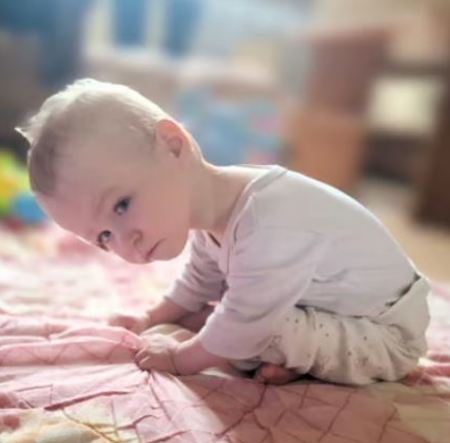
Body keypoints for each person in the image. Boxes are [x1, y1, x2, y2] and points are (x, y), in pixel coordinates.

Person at [17, 79, 430, 385]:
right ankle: (293, 360)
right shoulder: (209, 211)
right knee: (233, 316)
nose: (126, 243)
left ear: (173, 145)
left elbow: (246, 321)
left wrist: (181, 359)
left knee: (248, 327)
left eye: (121, 205)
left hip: (385, 335)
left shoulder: (269, 217)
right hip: (334, 315)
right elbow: (197, 281)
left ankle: (290, 355)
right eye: (104, 237)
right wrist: (149, 318)